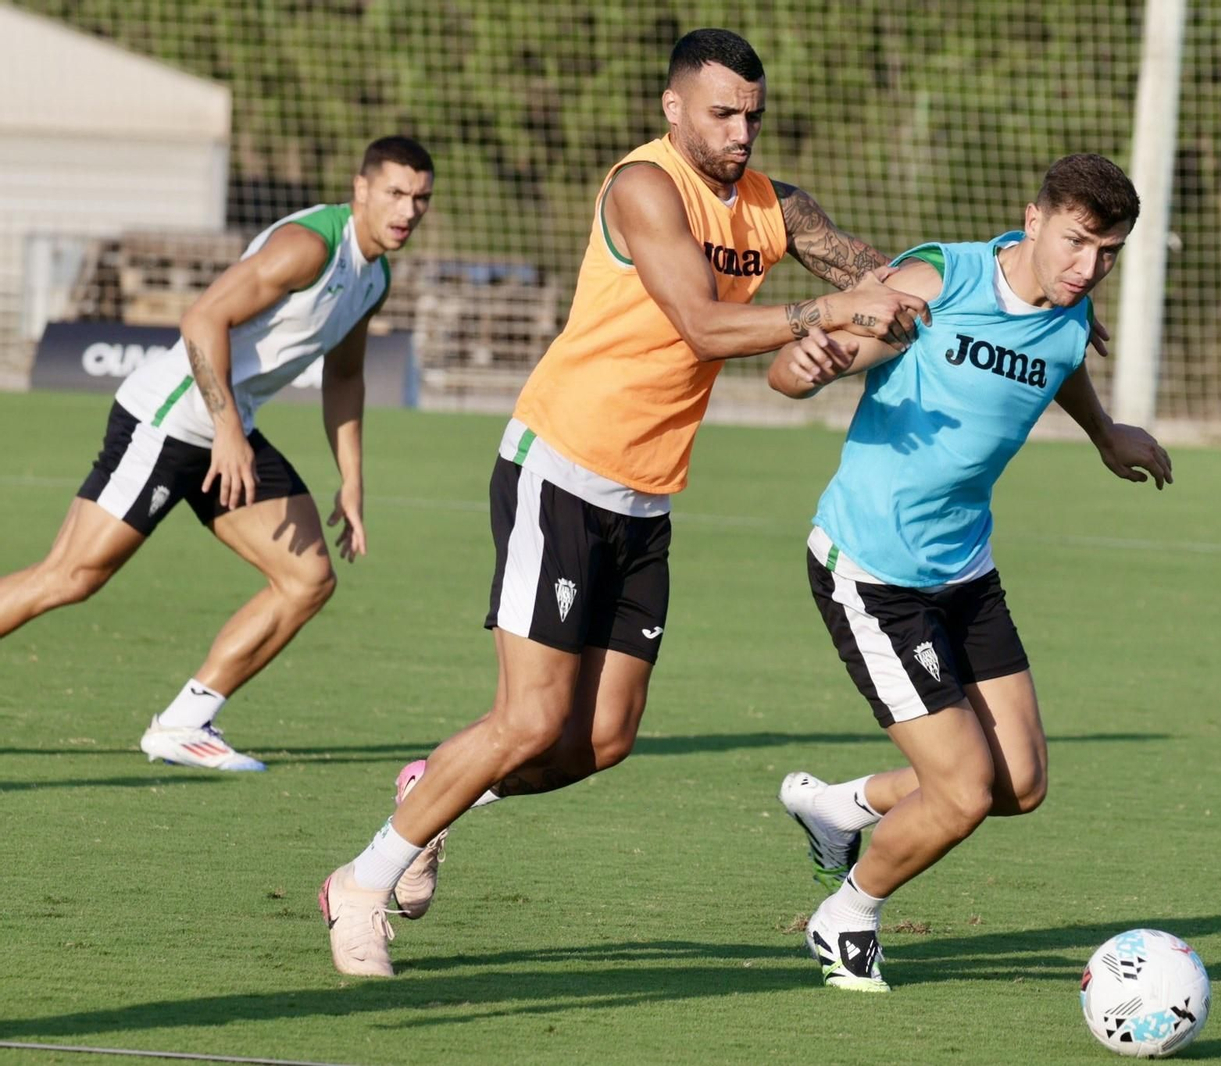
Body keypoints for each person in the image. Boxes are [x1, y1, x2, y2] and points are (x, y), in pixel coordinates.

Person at [317, 28, 933, 977]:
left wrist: (1002, 299)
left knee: (602, 740)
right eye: (723, 113)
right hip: (558, 470)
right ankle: (360, 883)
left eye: (753, 116)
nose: (740, 133)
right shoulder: (643, 188)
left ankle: (436, 791)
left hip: (644, 499)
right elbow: (703, 322)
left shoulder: (774, 206)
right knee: (527, 721)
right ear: (674, 107)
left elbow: (879, 271)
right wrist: (829, 312)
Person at [767, 153, 1173, 992]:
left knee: (1017, 786)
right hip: (872, 571)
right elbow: (805, 362)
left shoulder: (1070, 314)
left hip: (964, 569)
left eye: (1107, 253)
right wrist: (801, 370)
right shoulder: (937, 280)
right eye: (1075, 242)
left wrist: (1105, 436)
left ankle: (840, 807)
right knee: (960, 793)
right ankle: (846, 915)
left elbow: (1057, 365)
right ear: (1031, 220)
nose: (1087, 266)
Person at [0, 136, 435, 772]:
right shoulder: (309, 246)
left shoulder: (374, 278)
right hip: (169, 418)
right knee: (70, 577)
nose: (407, 210)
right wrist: (228, 430)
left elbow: (344, 377)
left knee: (307, 578)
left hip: (227, 430)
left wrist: (352, 481)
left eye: (420, 198)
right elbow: (203, 316)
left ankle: (184, 724)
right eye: (395, 193)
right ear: (361, 189)